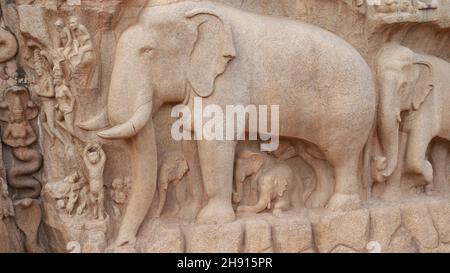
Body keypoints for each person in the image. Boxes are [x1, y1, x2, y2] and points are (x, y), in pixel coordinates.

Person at [83, 143, 106, 220]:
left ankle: (100, 215)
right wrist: (86, 148)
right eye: (91, 156)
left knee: (100, 203)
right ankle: (94, 214)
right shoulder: (89, 166)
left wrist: (100, 148)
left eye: (94, 155)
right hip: (92, 191)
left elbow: (103, 157)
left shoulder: (99, 166)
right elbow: (84, 157)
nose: (92, 157)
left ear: (97, 156)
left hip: (99, 190)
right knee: (93, 203)